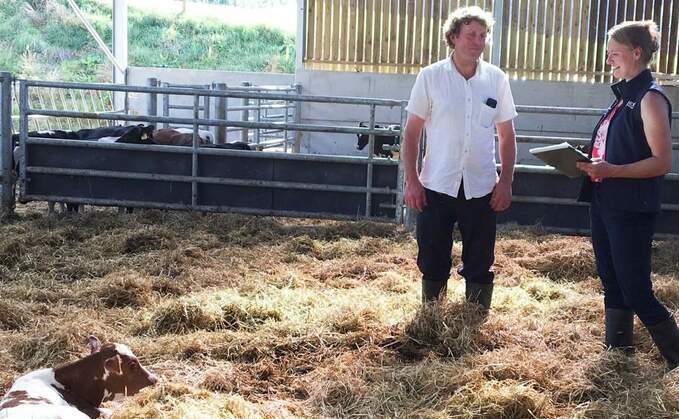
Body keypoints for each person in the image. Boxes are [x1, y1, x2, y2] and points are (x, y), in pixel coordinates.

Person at [576, 21, 677, 370]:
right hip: (605, 200)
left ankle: (676, 358)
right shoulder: (623, 98)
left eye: (614, 54)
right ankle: (618, 357)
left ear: (637, 53)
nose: (609, 62)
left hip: (631, 206)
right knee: (612, 280)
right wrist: (589, 161)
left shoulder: (650, 99)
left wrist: (613, 170)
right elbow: (618, 149)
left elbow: (661, 161)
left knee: (635, 286)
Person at [402, 6, 517, 309]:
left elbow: (507, 135)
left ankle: (475, 321)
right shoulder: (430, 77)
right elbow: (411, 133)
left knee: (480, 258)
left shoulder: (496, 79)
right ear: (453, 37)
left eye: (482, 35)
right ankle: (431, 317)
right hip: (437, 183)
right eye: (470, 34)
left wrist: (505, 181)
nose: (478, 41)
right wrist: (412, 180)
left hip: (480, 186)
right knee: (432, 254)